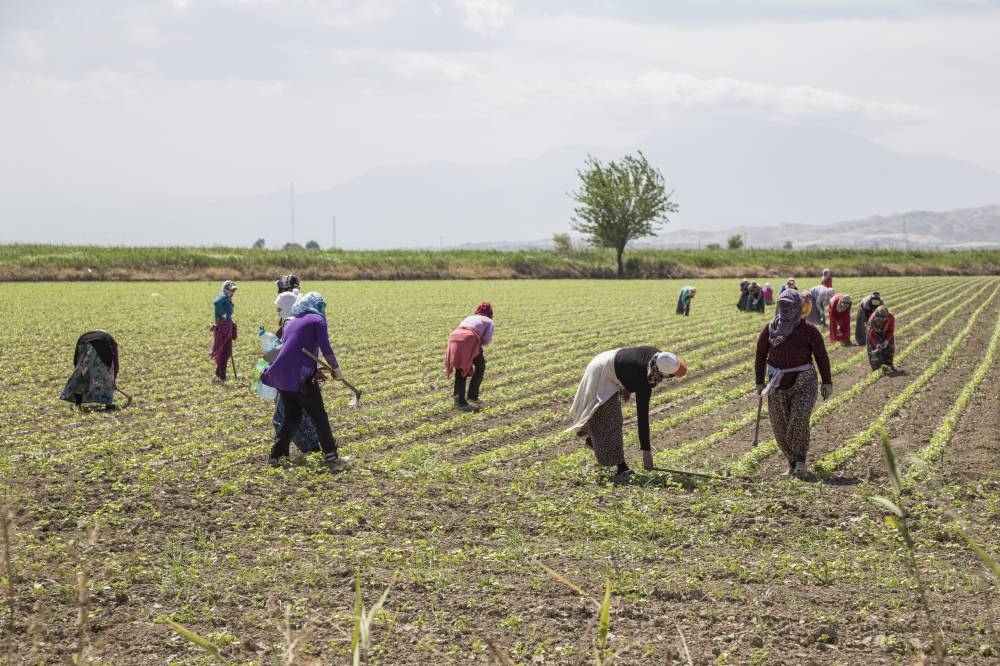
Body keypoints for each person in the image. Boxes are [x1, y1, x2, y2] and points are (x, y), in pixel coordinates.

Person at [567, 347, 687, 484]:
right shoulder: (643, 383)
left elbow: (633, 366)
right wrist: (646, 452)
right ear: (661, 373)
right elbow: (642, 419)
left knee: (607, 416)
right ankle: (621, 469)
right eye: (670, 376)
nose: (670, 378)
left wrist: (627, 387)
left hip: (609, 360)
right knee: (612, 419)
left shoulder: (657, 357)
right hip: (601, 370)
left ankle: (594, 441)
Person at [260, 292, 349, 472]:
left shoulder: (292, 321)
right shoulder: (318, 321)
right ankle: (332, 458)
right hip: (300, 379)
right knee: (320, 418)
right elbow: (326, 347)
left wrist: (315, 369)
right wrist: (336, 369)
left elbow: (291, 352)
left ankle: (275, 456)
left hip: (282, 376)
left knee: (292, 418)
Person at [755, 290, 833, 478]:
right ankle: (791, 463)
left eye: (790, 305)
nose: (787, 308)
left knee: (799, 418)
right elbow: (760, 354)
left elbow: (821, 356)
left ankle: (800, 461)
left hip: (804, 380)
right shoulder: (770, 329)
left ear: (798, 306)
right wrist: (759, 382)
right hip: (776, 382)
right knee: (780, 425)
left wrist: (827, 381)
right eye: (783, 304)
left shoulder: (809, 330)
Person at [267, 291, 320, 454]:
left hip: (292, 378)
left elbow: (289, 351)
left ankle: (309, 448)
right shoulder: (290, 321)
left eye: (279, 308)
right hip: (292, 376)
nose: (278, 311)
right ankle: (310, 448)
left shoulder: (292, 323)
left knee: (287, 418)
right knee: (295, 416)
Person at [444, 302, 494, 412]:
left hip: (454, 336)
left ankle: (458, 398)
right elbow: (487, 339)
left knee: (461, 368)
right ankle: (470, 397)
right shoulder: (489, 321)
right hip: (469, 338)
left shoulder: (471, 317)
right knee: (480, 367)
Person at [60, 330, 121, 410]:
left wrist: (79, 370)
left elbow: (77, 356)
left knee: (81, 376)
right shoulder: (112, 341)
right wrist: (113, 380)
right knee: (106, 377)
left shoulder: (85, 336)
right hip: (104, 352)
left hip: (85, 347)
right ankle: (108, 405)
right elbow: (115, 361)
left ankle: (77, 404)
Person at [210, 280, 238, 382]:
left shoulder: (227, 298)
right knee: (224, 352)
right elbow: (216, 303)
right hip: (223, 328)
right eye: (231, 290)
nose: (233, 292)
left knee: (226, 352)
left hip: (228, 327)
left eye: (233, 290)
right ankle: (222, 376)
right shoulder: (222, 296)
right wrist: (223, 315)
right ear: (225, 290)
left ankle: (218, 374)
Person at [866, 305, 897, 372]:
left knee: (890, 348)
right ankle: (878, 369)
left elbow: (890, 331)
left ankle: (889, 364)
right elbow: (871, 333)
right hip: (874, 334)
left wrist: (886, 341)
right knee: (874, 351)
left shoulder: (890, 317)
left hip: (885, 332)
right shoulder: (871, 320)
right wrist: (877, 344)